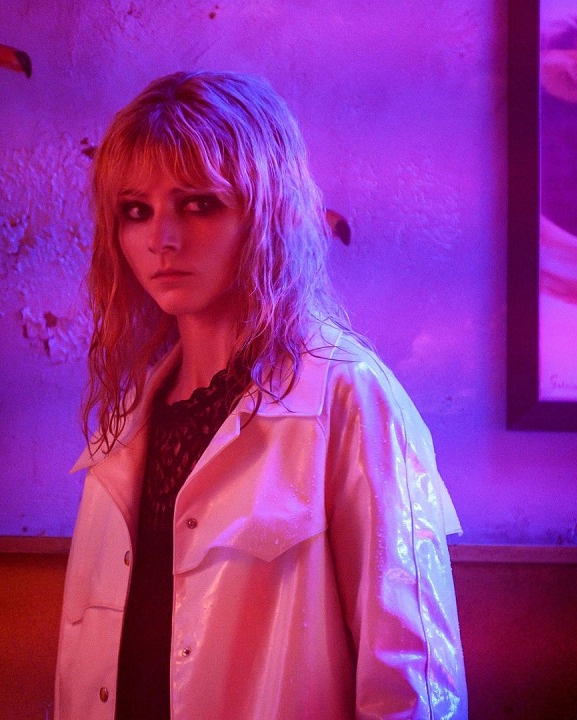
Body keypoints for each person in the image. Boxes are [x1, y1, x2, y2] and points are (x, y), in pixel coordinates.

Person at [55, 70, 466, 720]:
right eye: (136, 211)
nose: (161, 238)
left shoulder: (347, 397)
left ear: (267, 212)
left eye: (198, 204)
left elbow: (412, 681)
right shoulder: (127, 419)